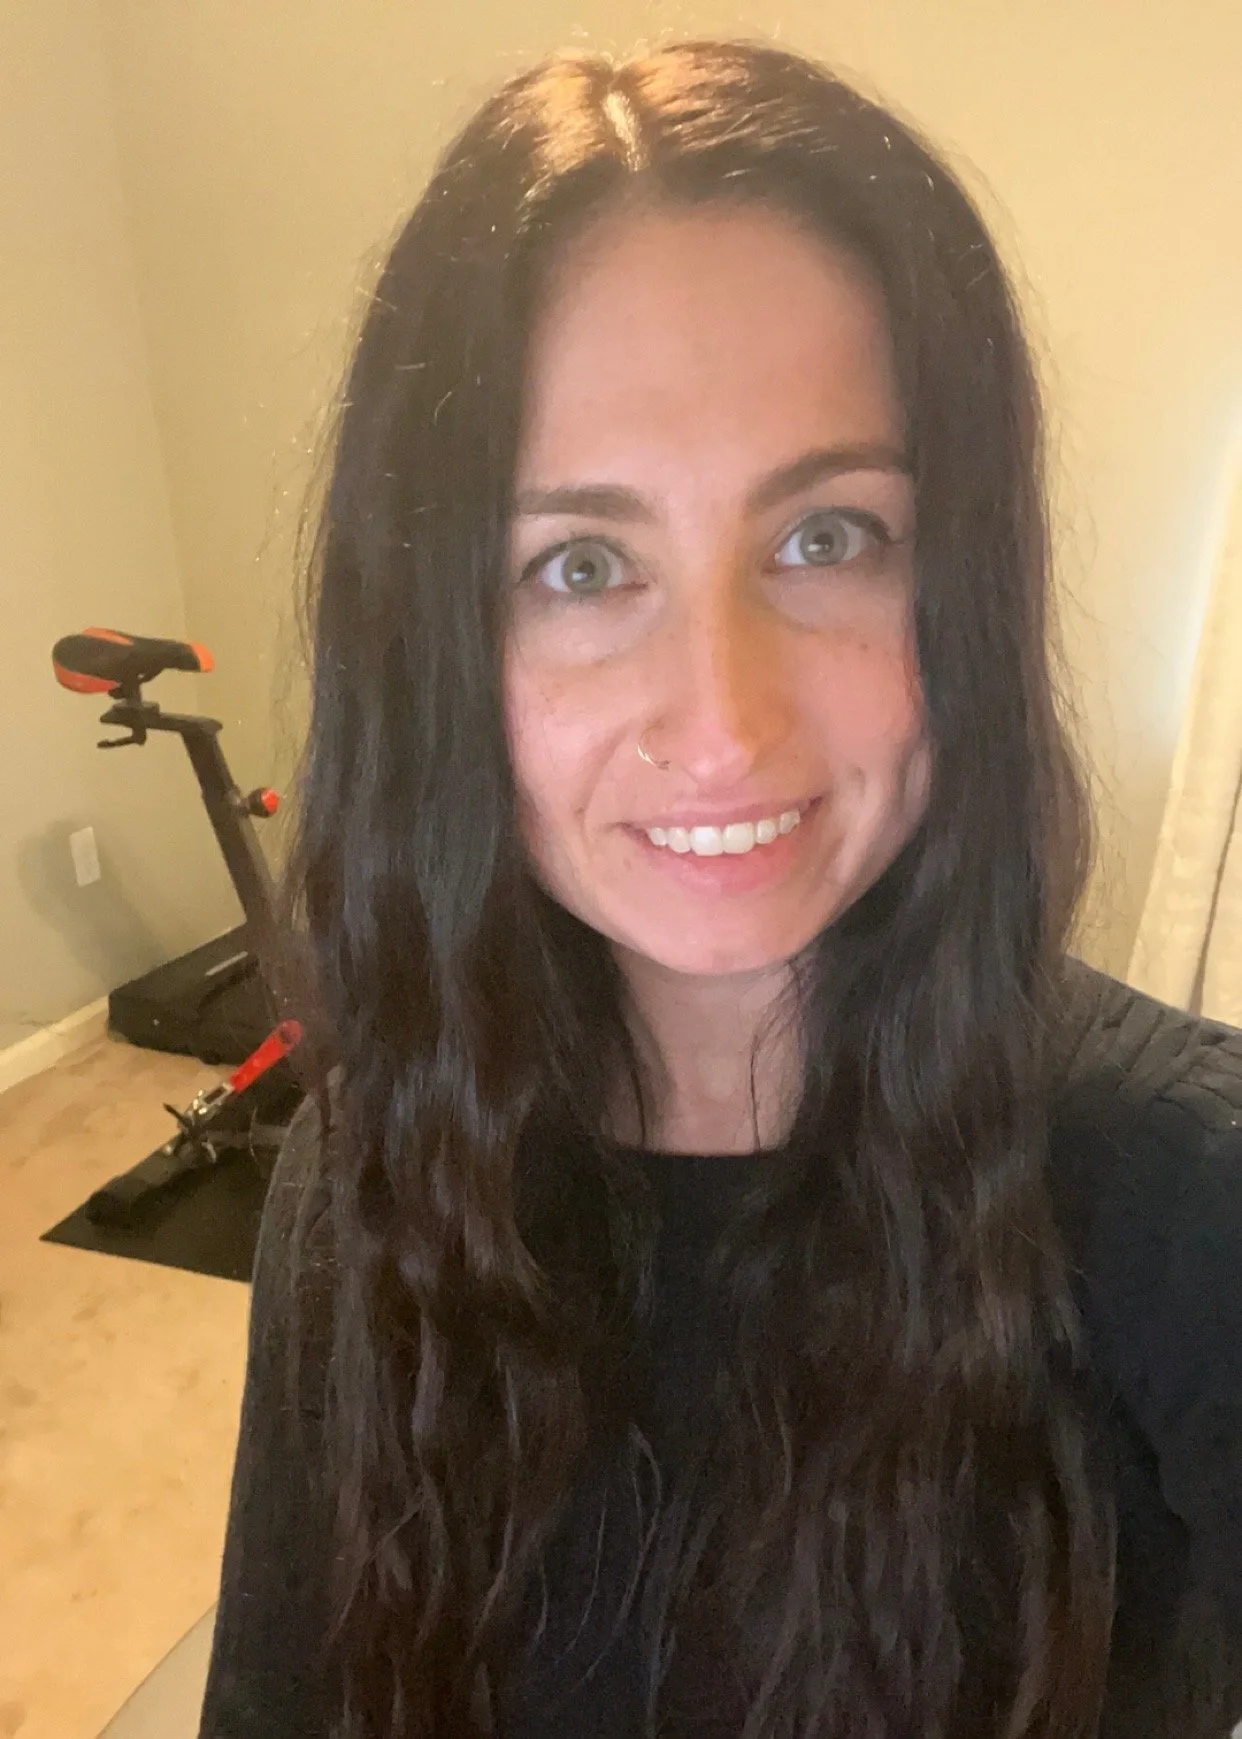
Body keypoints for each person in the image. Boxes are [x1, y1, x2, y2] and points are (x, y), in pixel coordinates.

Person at [197, 38, 1242, 1739]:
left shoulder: (1193, 1207)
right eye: (582, 566)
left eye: (825, 536)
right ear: (442, 647)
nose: (723, 722)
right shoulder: (365, 1179)